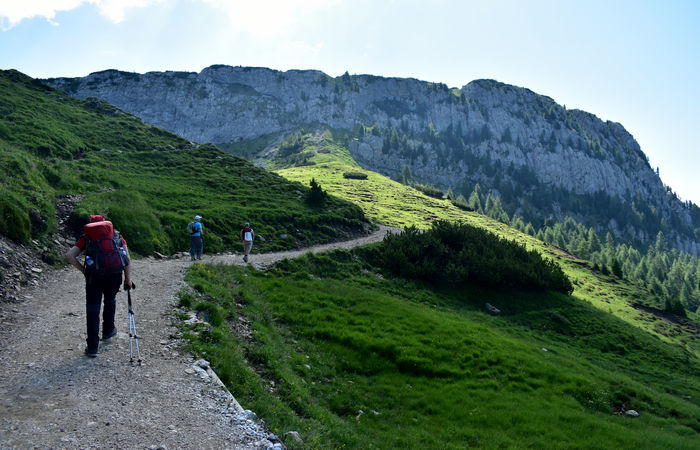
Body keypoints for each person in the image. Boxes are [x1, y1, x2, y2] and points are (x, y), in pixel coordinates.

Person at [65, 215, 132, 358]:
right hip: (115, 274)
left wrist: (84, 271)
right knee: (110, 300)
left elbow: (70, 256)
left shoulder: (87, 237)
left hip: (94, 276)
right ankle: (108, 331)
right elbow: (127, 259)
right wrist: (128, 280)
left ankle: (92, 347)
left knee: (93, 309)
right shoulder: (116, 235)